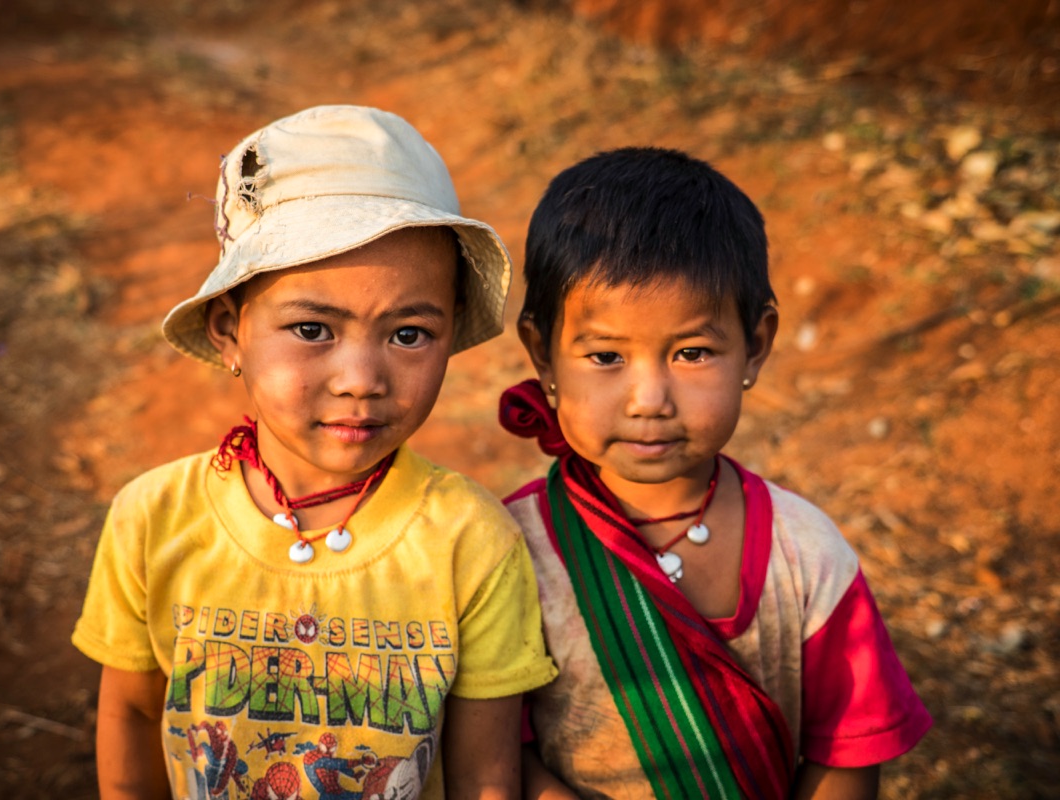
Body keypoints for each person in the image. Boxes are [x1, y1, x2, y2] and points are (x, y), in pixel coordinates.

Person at [72, 105, 557, 800]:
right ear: (229, 332)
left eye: (410, 334)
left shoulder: (471, 543)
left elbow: (484, 776)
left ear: (451, 336)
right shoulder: (152, 520)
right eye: (311, 328)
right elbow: (134, 708)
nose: (361, 378)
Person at [498, 147, 931, 800]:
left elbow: (847, 750)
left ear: (756, 346)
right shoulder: (511, 552)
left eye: (692, 352)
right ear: (544, 355)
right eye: (606, 355)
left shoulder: (806, 553)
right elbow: (496, 748)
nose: (650, 398)